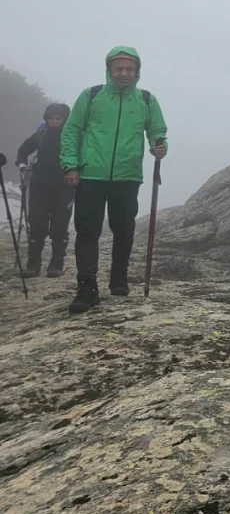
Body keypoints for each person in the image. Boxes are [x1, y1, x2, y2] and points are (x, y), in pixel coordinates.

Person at [61, 46, 168, 313]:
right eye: (118, 68)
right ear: (109, 70)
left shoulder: (146, 99)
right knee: (87, 230)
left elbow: (157, 130)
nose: (123, 73)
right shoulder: (92, 95)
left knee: (124, 228)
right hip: (90, 174)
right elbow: (72, 130)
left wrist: (160, 145)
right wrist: (70, 165)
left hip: (127, 175)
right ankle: (87, 287)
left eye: (129, 69)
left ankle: (118, 279)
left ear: (137, 72)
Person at [15, 103, 74, 277]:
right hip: (39, 185)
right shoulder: (41, 134)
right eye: (51, 118)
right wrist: (22, 165)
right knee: (37, 223)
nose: (54, 121)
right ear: (46, 119)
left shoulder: (72, 135)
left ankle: (56, 264)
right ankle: (33, 264)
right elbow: (23, 150)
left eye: (58, 118)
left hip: (65, 186)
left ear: (65, 119)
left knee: (60, 224)